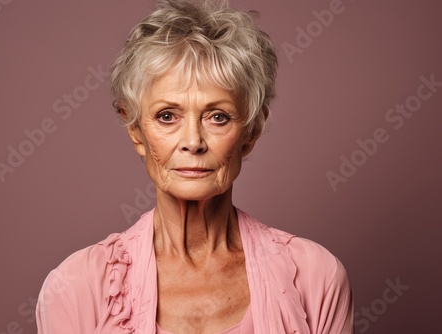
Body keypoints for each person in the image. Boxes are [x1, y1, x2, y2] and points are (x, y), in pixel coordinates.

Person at [36, 0, 354, 333]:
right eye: (167, 116)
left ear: (251, 132)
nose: (193, 141)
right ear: (136, 131)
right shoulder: (76, 287)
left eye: (218, 117)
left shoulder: (316, 277)